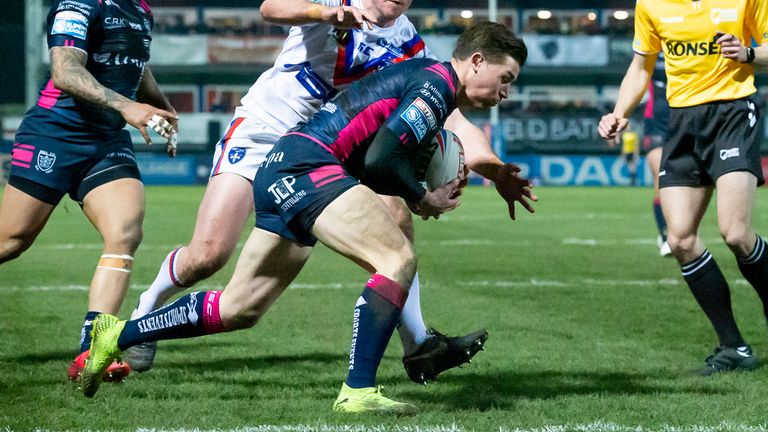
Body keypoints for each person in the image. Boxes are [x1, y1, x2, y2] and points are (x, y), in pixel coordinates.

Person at [81, 21, 528, 413]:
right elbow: (381, 159)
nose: (505, 92)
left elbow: (383, 155)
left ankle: (117, 334)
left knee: (240, 308)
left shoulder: (431, 82)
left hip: (289, 165)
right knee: (396, 259)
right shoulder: (435, 84)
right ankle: (358, 391)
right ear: (475, 61)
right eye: (504, 78)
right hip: (308, 166)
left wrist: (466, 175)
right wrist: (419, 196)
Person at [0, 0, 178, 382]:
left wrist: (161, 107)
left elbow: (135, 65)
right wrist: (127, 106)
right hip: (55, 131)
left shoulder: (140, 9)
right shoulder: (78, 4)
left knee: (125, 232)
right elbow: (65, 71)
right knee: (10, 242)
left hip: (107, 140)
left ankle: (92, 350)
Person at [598, 0, 768, 375]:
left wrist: (749, 52)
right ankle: (733, 348)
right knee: (680, 239)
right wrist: (619, 113)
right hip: (683, 122)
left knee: (736, 233)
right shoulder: (651, 5)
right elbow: (640, 66)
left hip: (733, 112)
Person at [643, 54, 671, 257]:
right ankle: (665, 236)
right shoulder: (652, 41)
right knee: (661, 179)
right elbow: (636, 74)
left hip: (687, 116)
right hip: (657, 123)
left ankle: (681, 232)